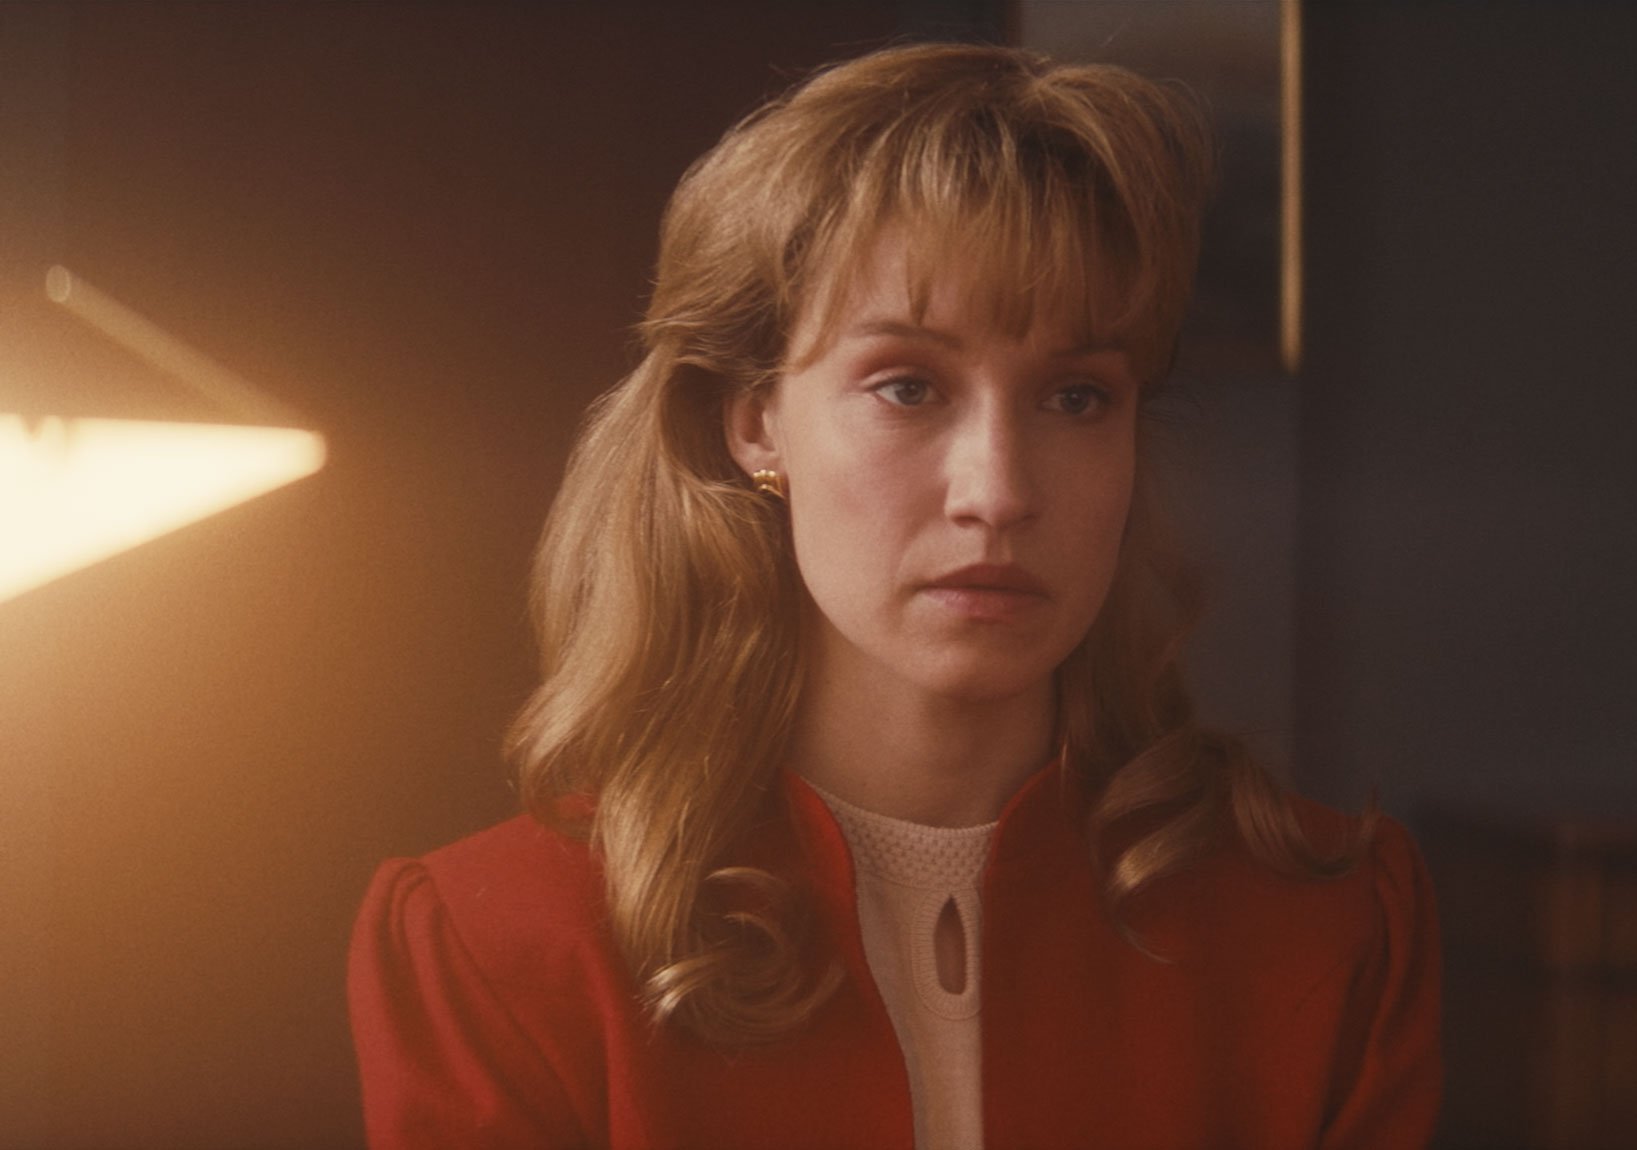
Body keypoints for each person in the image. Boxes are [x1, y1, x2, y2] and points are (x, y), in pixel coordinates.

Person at [346, 41, 1443, 1150]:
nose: (1000, 491)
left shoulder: (1327, 928)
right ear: (754, 420)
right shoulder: (502, 950)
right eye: (907, 386)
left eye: (1075, 396)